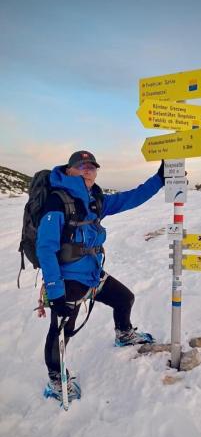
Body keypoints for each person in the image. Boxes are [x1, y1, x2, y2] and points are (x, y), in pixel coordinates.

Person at [36, 150, 165, 399]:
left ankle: (124, 333)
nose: (87, 169)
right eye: (81, 165)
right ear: (69, 170)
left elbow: (131, 197)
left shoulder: (95, 199)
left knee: (124, 298)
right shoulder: (57, 200)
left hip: (92, 274)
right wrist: (55, 291)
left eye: (92, 166)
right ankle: (55, 380)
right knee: (61, 330)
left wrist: (160, 179)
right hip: (68, 279)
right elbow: (45, 248)